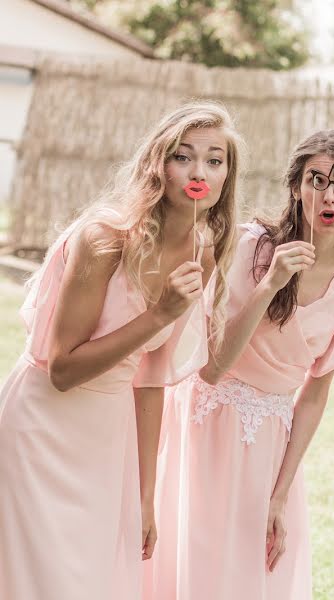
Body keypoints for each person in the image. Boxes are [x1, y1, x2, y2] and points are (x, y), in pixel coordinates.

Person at [0, 101, 241, 600]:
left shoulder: (203, 252)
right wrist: (159, 314)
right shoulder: (104, 238)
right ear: (158, 164)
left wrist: (146, 494)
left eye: (214, 160)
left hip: (108, 439)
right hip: (41, 428)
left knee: (88, 580)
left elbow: (151, 375)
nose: (199, 171)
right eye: (183, 156)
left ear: (225, 178)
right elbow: (63, 369)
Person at [143, 130, 334, 600]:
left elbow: (315, 394)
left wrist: (281, 492)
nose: (327, 195)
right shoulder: (251, 246)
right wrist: (271, 283)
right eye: (315, 180)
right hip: (206, 421)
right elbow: (211, 366)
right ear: (295, 187)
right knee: (196, 560)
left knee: (254, 572)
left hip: (270, 439)